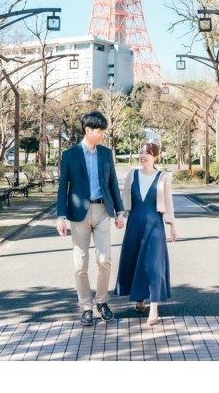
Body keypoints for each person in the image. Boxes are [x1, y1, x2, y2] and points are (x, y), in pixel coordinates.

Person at [55, 111, 125, 326]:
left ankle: (102, 302)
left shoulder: (106, 153)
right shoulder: (69, 155)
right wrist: (60, 216)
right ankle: (86, 307)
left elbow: (112, 183)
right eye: (99, 131)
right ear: (88, 130)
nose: (102, 134)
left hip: (103, 211)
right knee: (81, 263)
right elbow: (62, 187)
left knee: (104, 260)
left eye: (103, 131)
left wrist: (120, 211)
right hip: (78, 215)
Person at [115, 142, 178, 326]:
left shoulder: (162, 177)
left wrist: (172, 225)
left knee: (153, 264)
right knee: (135, 260)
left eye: (147, 153)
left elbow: (168, 201)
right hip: (134, 224)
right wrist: (121, 216)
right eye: (140, 152)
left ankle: (154, 307)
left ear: (155, 156)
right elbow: (125, 198)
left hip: (155, 224)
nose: (143, 155)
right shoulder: (132, 175)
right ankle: (140, 297)